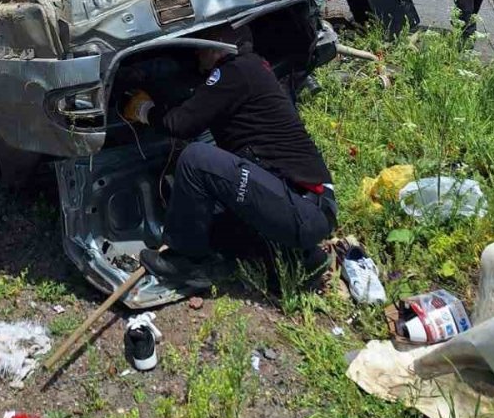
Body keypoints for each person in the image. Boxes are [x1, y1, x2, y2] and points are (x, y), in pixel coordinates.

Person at [121, 25, 336, 291]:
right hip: (305, 206)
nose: (197, 55)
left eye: (200, 47)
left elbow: (180, 124)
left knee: (197, 158)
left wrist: (145, 110)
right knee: (214, 230)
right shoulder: (252, 69)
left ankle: (187, 263)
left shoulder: (234, 71)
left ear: (216, 46)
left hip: (302, 208)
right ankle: (298, 259)